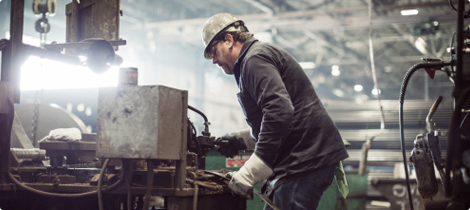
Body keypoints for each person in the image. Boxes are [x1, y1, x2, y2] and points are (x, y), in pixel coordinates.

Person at [201, 13, 349, 210]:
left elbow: (279, 111)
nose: (214, 60)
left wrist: (249, 173)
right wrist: (245, 139)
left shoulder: (255, 59)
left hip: (303, 161)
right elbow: (282, 116)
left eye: (213, 51)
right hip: (301, 159)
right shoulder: (252, 60)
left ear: (228, 40)